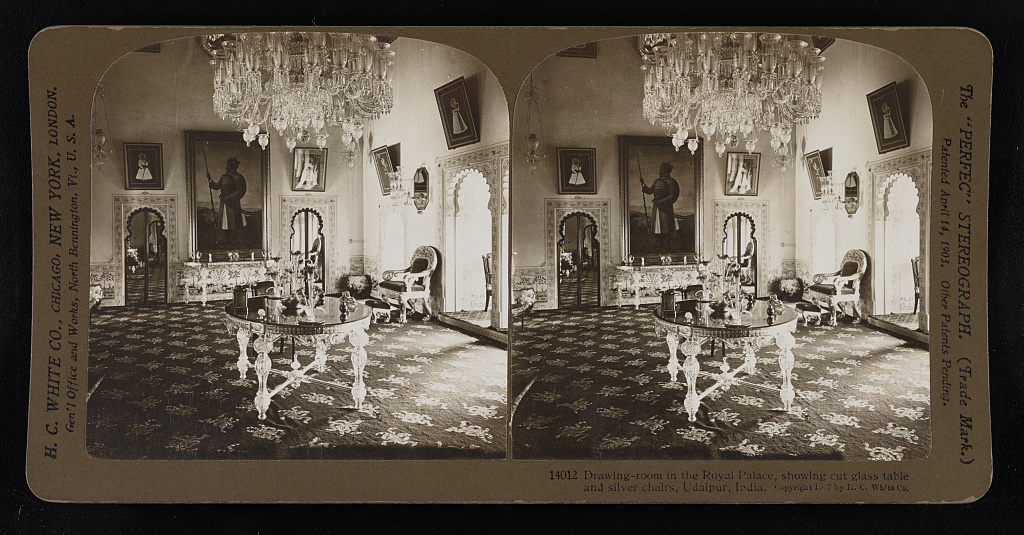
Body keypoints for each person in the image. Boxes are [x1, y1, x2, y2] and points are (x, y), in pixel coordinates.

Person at [208, 157, 247, 247]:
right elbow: (217, 186)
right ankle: (225, 241)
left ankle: (235, 242)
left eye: (229, 165)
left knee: (233, 223)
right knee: (223, 223)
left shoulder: (238, 177)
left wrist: (228, 197)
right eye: (227, 165)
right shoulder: (224, 177)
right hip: (223, 204)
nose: (227, 167)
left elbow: (240, 191)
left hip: (233, 204)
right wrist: (210, 180)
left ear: (234, 166)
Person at [640, 161, 680, 249]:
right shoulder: (657, 181)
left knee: (667, 226)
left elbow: (673, 195)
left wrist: (662, 202)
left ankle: (668, 244)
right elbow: (650, 191)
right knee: (658, 226)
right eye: (660, 169)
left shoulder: (671, 182)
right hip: (657, 207)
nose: (660, 171)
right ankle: (660, 243)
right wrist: (643, 184)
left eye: (662, 170)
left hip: (666, 207)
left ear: (666, 171)